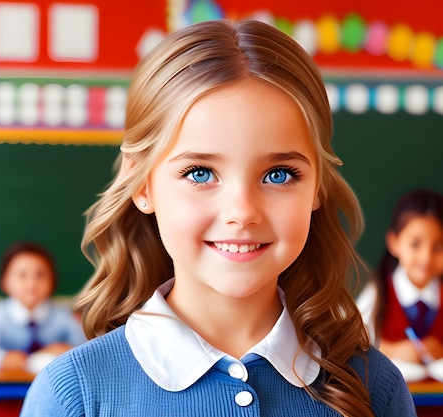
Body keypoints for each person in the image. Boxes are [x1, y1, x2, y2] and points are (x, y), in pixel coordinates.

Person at [20, 19, 415, 417]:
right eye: (200, 173)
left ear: (316, 188)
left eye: (278, 174)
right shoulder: (74, 392)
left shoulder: (374, 386)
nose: (242, 212)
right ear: (142, 184)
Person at [0, 241, 86, 374]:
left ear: (53, 280)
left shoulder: (62, 316)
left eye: (40, 275)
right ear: (4, 281)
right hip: (8, 387)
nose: (31, 283)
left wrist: (66, 350)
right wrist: (3, 359)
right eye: (22, 275)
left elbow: (87, 349)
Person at [357, 189, 443, 381]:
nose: (426, 258)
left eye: (438, 247)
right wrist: (393, 349)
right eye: (415, 244)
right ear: (394, 242)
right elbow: (351, 346)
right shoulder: (378, 293)